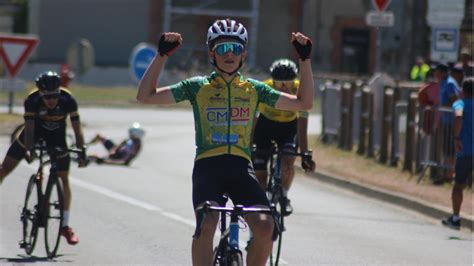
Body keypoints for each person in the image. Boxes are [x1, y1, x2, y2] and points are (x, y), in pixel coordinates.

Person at [136, 18, 314, 266]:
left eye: (235, 48)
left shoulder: (254, 90)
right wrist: (161, 56)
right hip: (208, 167)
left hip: (241, 167)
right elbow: (145, 96)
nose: (229, 54)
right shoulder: (197, 87)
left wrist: (304, 60)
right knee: (206, 223)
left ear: (243, 54)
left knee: (265, 227)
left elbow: (303, 103)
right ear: (211, 53)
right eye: (221, 48)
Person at [0, 71, 87, 244]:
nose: (51, 101)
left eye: (54, 96)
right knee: (3, 170)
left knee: (64, 179)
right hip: (33, 134)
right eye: (46, 97)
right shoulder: (32, 100)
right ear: (40, 93)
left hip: (57, 137)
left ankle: (65, 226)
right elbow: (30, 127)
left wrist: (81, 150)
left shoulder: (68, 100)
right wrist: (30, 149)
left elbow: (77, 129)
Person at [252, 58, 316, 216]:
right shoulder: (263, 88)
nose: (283, 87)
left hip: (288, 128)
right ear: (272, 80)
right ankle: (261, 203)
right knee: (259, 170)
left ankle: (284, 196)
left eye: (288, 83)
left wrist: (305, 153)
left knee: (288, 163)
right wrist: (249, 144)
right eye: (279, 83)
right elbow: (253, 120)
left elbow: (302, 125)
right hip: (265, 126)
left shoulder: (300, 90)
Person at [442, 77, 473, 230]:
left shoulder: (460, 103)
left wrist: (456, 137)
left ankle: (455, 219)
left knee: (458, 186)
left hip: (465, 151)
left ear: (462, 90)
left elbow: (459, 115)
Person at [435, 63, 462, 183]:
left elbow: (456, 101)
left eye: (437, 71)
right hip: (446, 120)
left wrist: (440, 106)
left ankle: (449, 175)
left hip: (452, 121)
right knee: (446, 149)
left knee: (450, 149)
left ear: (442, 72)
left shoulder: (450, 84)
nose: (435, 74)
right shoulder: (443, 83)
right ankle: (446, 173)